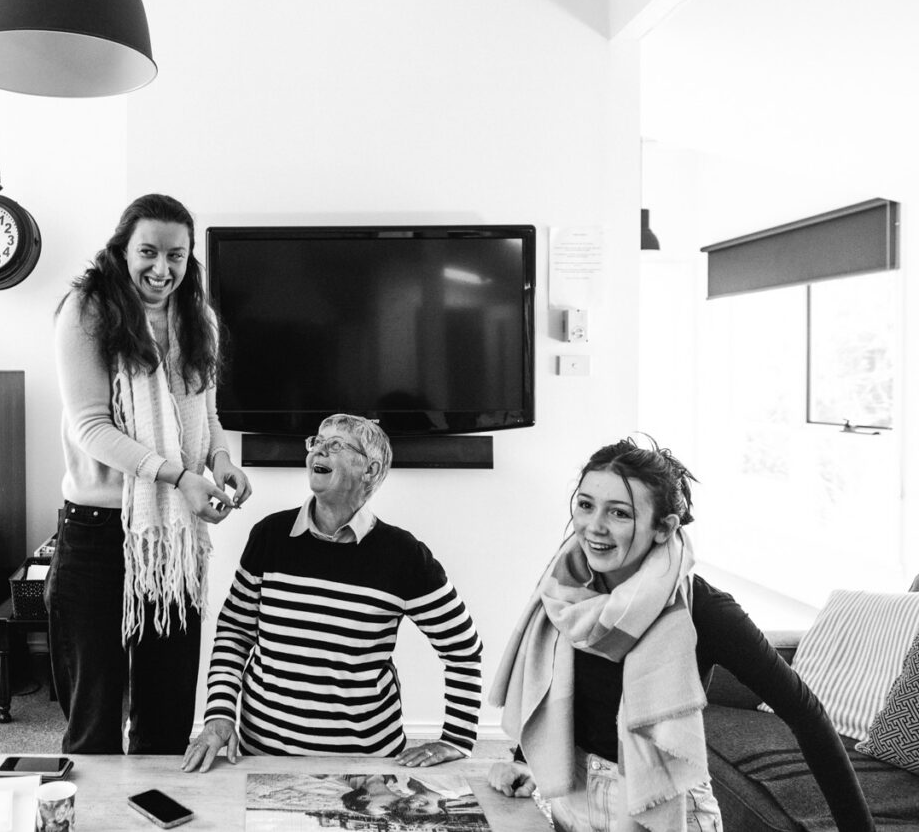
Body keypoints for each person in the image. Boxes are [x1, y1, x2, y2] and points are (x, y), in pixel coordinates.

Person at [487, 437, 874, 832]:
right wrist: (524, 757)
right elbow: (548, 681)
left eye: (619, 513)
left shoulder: (703, 609)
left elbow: (805, 711)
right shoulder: (564, 589)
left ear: (663, 527)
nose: (594, 527)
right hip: (569, 792)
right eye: (586, 505)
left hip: (663, 806)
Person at [47, 192, 252, 755]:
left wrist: (220, 460)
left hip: (171, 541)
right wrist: (178, 478)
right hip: (97, 534)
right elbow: (91, 426)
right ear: (122, 249)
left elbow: (205, 412)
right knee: (93, 720)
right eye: (148, 252)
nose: (162, 270)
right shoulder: (86, 310)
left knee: (165, 716)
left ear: (190, 259)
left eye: (177, 256)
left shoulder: (196, 314)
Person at [181, 413, 483, 772]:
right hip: (260, 758)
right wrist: (218, 714)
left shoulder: (404, 555)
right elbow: (234, 633)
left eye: (335, 445)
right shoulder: (270, 536)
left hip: (367, 764)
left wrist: (456, 739)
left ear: (369, 470)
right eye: (316, 442)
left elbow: (463, 648)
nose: (318, 450)